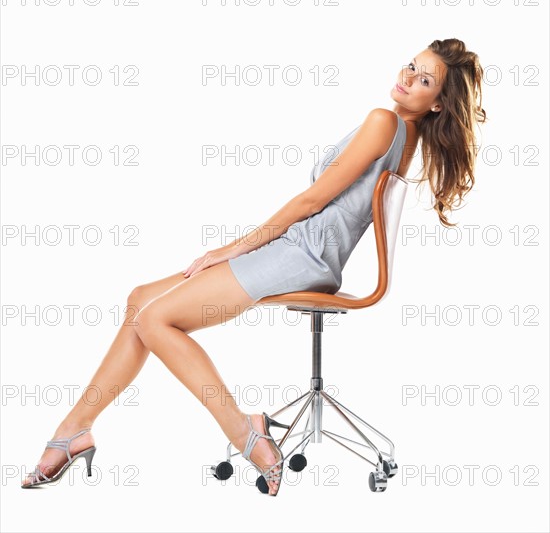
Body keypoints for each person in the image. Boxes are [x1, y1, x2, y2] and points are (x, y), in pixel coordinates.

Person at [21, 38, 486, 496]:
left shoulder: (384, 122)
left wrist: (232, 248)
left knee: (154, 318)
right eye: (411, 65)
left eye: (423, 79)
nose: (407, 78)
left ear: (439, 103)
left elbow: (312, 200)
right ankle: (74, 431)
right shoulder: (407, 137)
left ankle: (247, 435)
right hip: (308, 253)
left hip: (301, 254)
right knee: (140, 299)